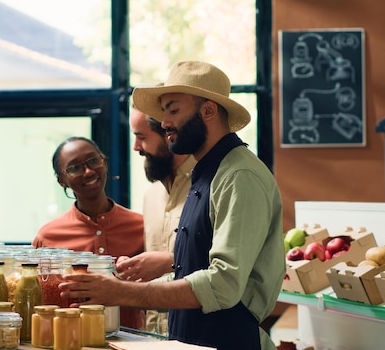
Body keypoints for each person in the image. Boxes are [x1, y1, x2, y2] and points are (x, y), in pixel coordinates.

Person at [60, 61, 285, 350]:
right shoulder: (208, 172)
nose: (164, 122)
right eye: (164, 111)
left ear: (208, 111)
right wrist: (168, 263)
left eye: (173, 110)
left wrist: (123, 292)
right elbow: (203, 258)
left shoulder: (239, 175)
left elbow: (223, 284)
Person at [32, 136, 145, 330]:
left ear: (104, 162)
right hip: (69, 340)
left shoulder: (140, 226)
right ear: (62, 180)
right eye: (74, 168)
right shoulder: (48, 236)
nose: (88, 171)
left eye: (93, 160)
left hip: (132, 342)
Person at [115, 106, 197, 334]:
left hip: (199, 337)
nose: (136, 147)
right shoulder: (151, 196)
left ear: (169, 134)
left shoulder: (210, 186)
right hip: (154, 336)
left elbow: (227, 270)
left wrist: (171, 261)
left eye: (141, 137)